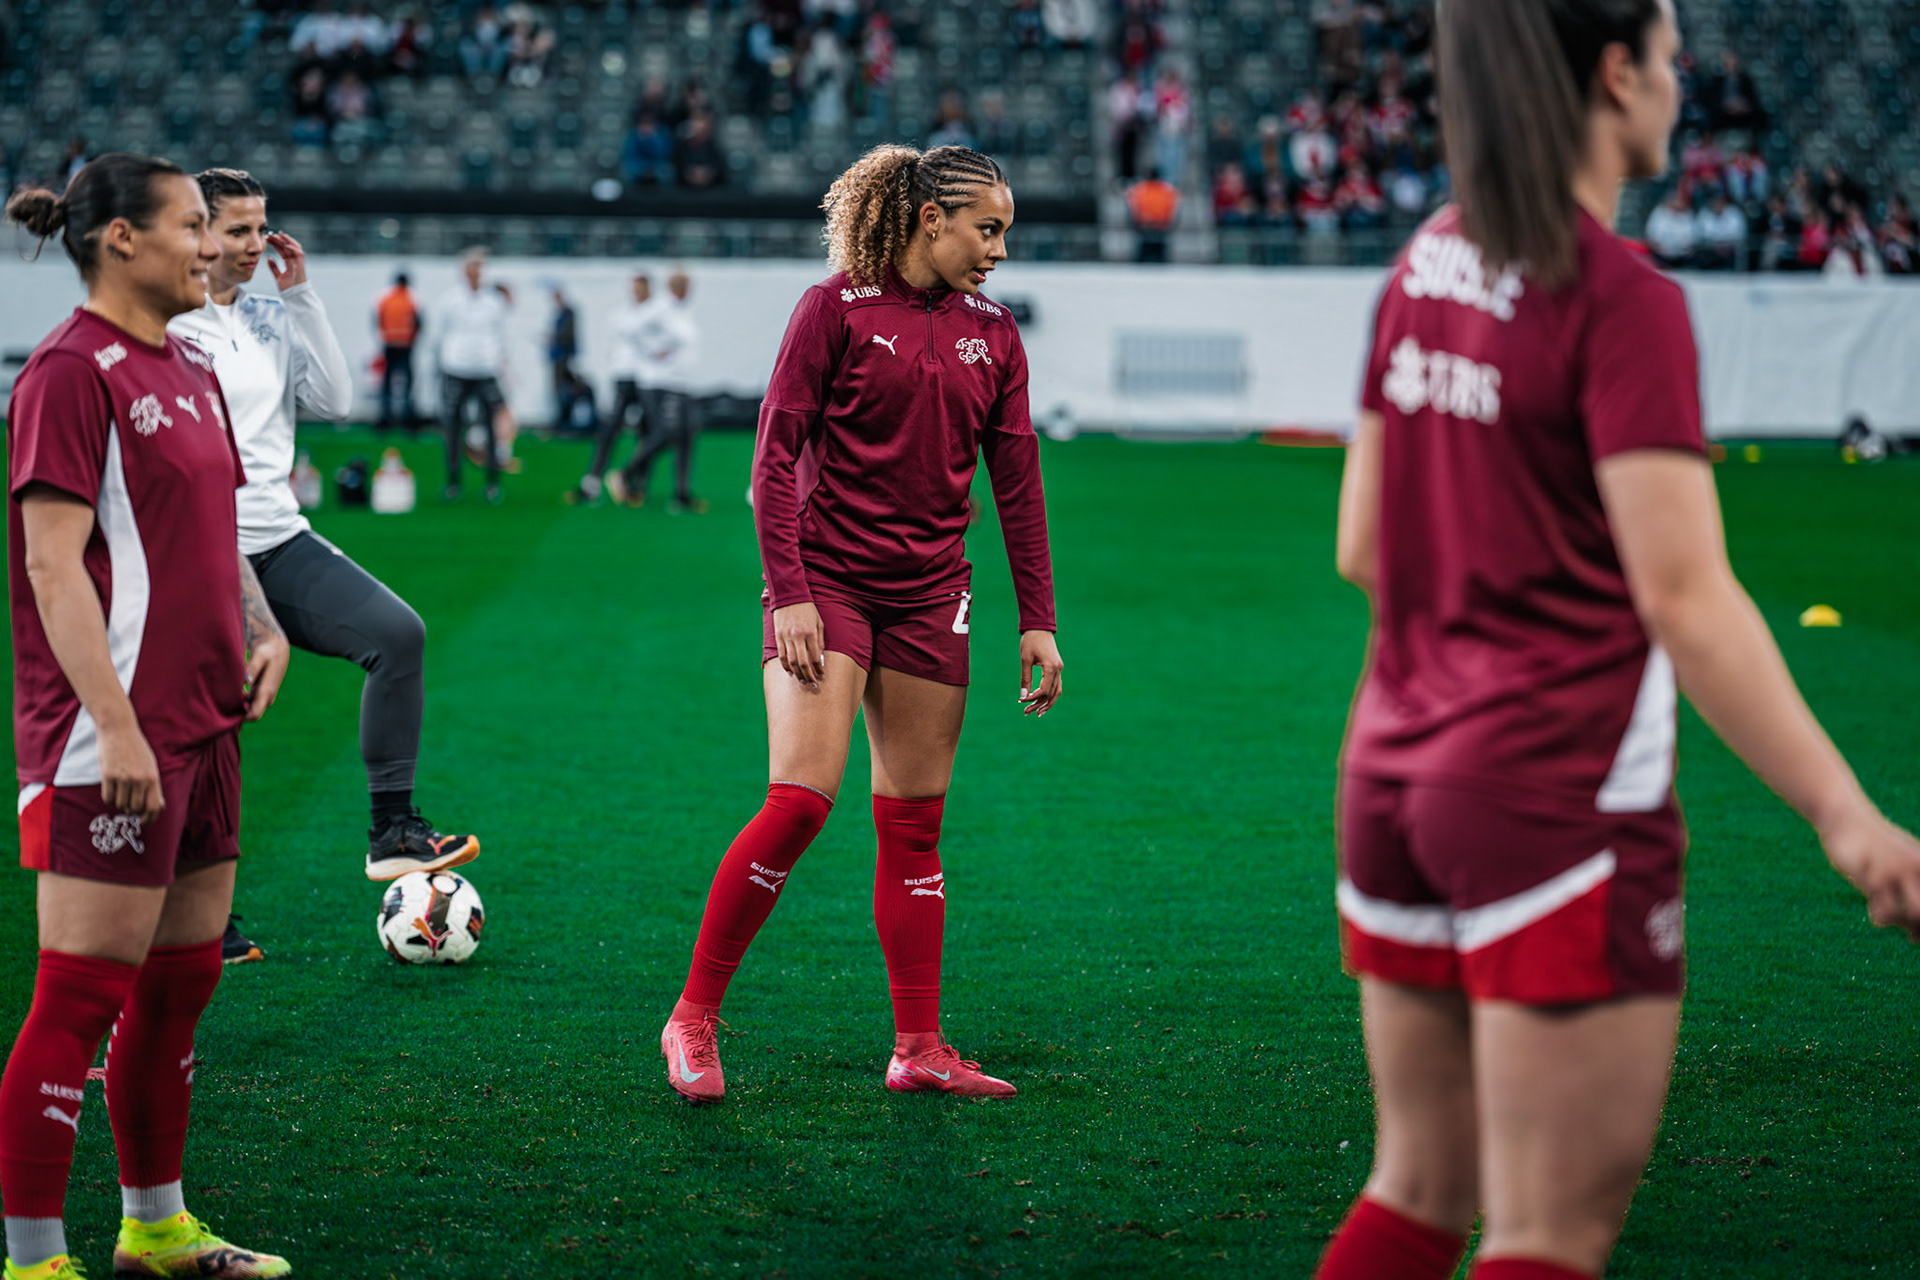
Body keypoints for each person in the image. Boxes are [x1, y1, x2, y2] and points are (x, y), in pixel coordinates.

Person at [1316, 4, 1920, 1279]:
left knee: (1416, 1192)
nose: (1682, 77)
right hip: (1550, 796)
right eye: (1670, 49)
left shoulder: (1425, 257)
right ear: (1614, 72)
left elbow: (1361, 545)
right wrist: (1848, 817)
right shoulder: (1619, 296)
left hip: (1390, 780)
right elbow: (1687, 600)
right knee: (1545, 1235)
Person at [658, 144, 1064, 1104]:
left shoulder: (996, 334)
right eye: (988, 228)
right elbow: (771, 459)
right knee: (800, 802)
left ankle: (918, 1047)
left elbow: (1019, 483)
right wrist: (789, 590)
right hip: (826, 582)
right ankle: (693, 1017)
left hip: (933, 592)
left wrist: (1037, 620)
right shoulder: (832, 309)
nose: (999, 251)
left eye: (1006, 231)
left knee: (915, 825)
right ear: (932, 220)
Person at [0, 152, 296, 1280]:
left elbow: (218, 529)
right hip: (110, 739)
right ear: (120, 239)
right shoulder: (70, 374)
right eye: (188, 225)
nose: (210, 246)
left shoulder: (188, 365)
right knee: (78, 997)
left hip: (206, 724)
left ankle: (155, 1226)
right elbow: (50, 566)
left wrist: (261, 628)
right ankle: (33, 1261)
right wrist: (114, 723)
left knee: (180, 985)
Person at [168, 168, 479, 919]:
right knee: (211, 724)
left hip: (281, 541)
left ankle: (391, 830)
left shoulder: (272, 316)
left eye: (259, 227)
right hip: (200, 554)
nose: (252, 244)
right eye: (236, 229)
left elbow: (337, 401)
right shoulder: (169, 325)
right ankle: (196, 914)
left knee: (398, 635)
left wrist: (301, 296)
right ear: (198, 230)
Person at [606, 269, 705, 514]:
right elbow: (632, 329)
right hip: (660, 382)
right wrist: (654, 351)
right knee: (665, 432)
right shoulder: (661, 307)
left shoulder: (677, 309)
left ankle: (681, 494)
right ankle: (624, 473)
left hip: (679, 382)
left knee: (685, 435)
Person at [565, 272, 650, 506]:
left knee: (647, 431)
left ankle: (637, 483)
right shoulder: (621, 314)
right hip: (623, 377)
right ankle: (591, 482)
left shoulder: (654, 314)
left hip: (646, 380)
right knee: (609, 431)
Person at [435, 249, 510, 502]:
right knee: (453, 426)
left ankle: (492, 482)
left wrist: (501, 363)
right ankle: (454, 481)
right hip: (456, 368)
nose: (475, 273)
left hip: (486, 370)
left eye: (479, 268)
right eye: (471, 267)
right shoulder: (450, 300)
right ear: (464, 271)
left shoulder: (494, 302)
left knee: (491, 427)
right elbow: (441, 334)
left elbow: (501, 336)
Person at [375, 270, 421, 429]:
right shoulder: (411, 298)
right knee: (407, 382)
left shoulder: (386, 298)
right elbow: (419, 322)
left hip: (390, 344)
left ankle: (385, 417)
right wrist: (412, 339)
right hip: (406, 345)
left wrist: (385, 337)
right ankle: (408, 419)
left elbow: (378, 320)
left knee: (387, 382)